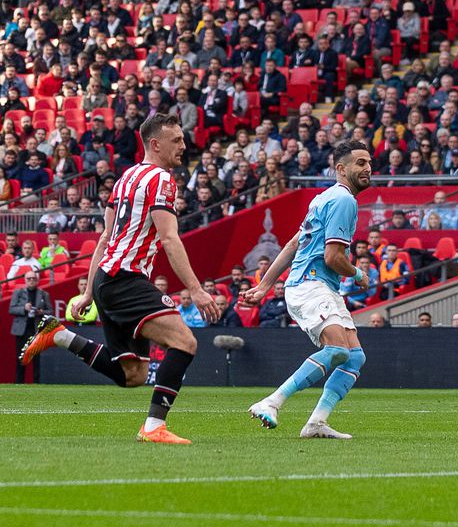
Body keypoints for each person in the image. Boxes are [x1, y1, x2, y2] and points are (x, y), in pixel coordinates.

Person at [20, 114, 218, 444]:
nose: (184, 146)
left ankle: (60, 336)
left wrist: (88, 293)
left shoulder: (126, 177)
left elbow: (104, 238)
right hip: (125, 279)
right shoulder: (162, 180)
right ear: (155, 144)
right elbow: (169, 238)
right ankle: (154, 427)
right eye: (177, 140)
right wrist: (196, 290)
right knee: (185, 342)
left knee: (134, 375)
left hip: (107, 278)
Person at [240, 140, 374, 440]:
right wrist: (358, 274)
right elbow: (333, 257)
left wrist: (263, 286)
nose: (367, 168)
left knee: (354, 357)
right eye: (360, 163)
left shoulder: (322, 199)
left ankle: (316, 423)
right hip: (310, 284)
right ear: (341, 169)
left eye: (368, 162)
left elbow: (293, 244)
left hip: (318, 285)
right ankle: (271, 402)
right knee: (337, 349)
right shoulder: (344, 201)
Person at [10, 270, 50, 383]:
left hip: (37, 330)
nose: (31, 280)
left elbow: (50, 311)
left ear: (37, 280)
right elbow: (11, 309)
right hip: (21, 330)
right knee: (21, 358)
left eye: (33, 278)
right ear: (25, 280)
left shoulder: (44, 294)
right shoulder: (18, 292)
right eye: (29, 278)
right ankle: (19, 383)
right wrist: (24, 308)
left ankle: (37, 383)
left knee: (37, 359)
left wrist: (41, 312)